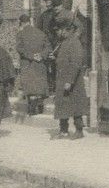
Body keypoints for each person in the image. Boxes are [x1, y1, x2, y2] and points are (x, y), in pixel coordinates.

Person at [52, 11, 88, 139]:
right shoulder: (64, 42)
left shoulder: (74, 42)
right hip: (62, 80)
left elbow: (76, 63)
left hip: (73, 82)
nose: (58, 33)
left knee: (76, 106)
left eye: (59, 30)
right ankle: (63, 131)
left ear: (66, 30)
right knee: (63, 106)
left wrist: (70, 81)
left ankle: (79, 130)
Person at [15, 13, 51, 115]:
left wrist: (32, 56)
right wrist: (41, 55)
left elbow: (19, 49)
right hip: (40, 63)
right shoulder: (41, 33)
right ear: (30, 22)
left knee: (30, 86)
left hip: (27, 64)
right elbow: (48, 47)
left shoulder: (20, 34)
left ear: (21, 23)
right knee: (39, 85)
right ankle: (40, 106)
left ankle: (32, 109)